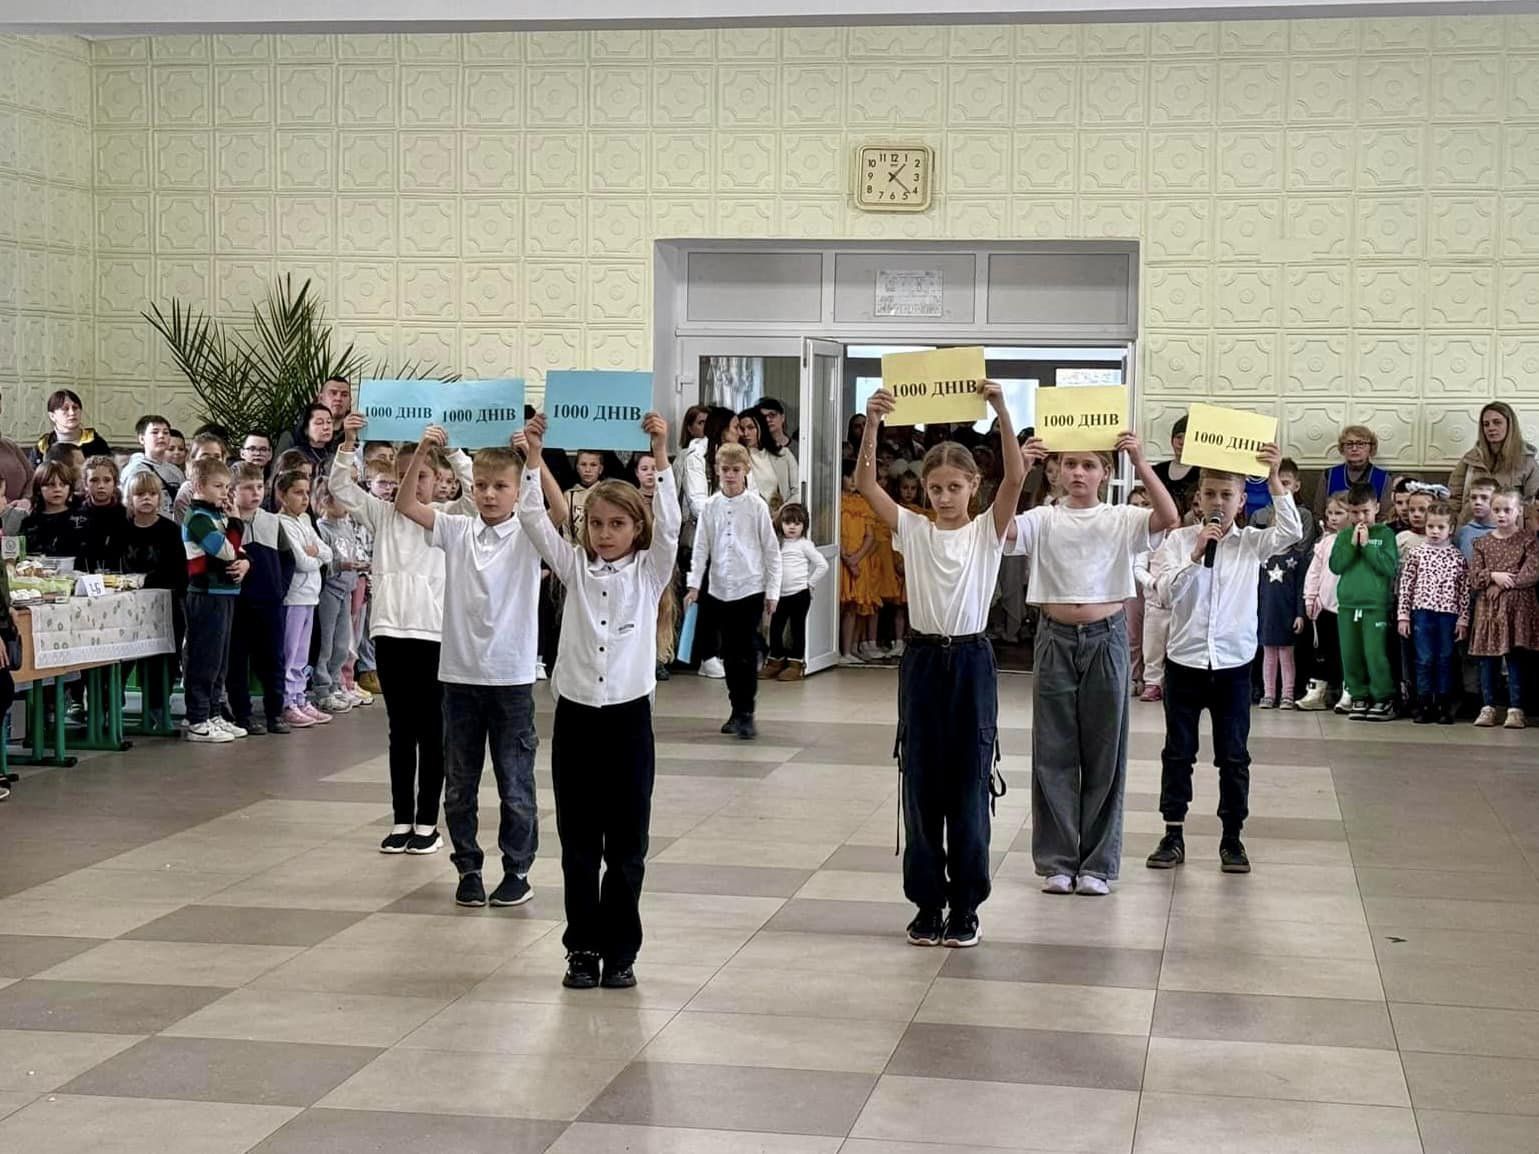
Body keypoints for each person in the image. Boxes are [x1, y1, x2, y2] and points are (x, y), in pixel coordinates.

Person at [855, 381, 1024, 948]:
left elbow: (1016, 478)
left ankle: (966, 905)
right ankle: (927, 902)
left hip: (971, 658)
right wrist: (873, 423)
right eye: (935, 488)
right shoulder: (914, 529)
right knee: (922, 782)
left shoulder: (986, 531)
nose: (945, 496)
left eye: (955, 487)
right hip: (924, 659)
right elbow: (866, 485)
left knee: (970, 783)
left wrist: (1002, 410)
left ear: (974, 485)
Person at [516, 411, 677, 990]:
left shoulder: (650, 573)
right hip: (578, 721)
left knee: (628, 847)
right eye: (598, 524)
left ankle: (621, 951)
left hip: (629, 723)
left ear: (636, 528)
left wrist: (660, 451)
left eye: (618, 524)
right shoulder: (574, 568)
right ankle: (581, 948)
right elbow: (532, 519)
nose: (606, 534)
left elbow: (673, 525)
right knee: (579, 845)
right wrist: (534, 457)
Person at [1010, 433, 1181, 896]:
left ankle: (1097, 864)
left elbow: (1169, 517)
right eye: (1070, 464)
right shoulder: (1043, 517)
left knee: (1105, 752)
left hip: (1106, 636)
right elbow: (1001, 530)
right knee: (1054, 750)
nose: (1078, 473)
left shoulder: (1121, 517)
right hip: (1055, 637)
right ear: (1057, 470)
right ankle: (1058, 860)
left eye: (1089, 465)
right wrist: (1019, 468)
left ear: (1105, 472)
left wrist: (1140, 462)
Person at [396, 427, 544, 907]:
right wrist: (425, 450)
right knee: (460, 784)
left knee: (515, 783)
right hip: (460, 678)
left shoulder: (529, 531)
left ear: (518, 490)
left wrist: (535, 456)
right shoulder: (457, 529)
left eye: (500, 486)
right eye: (480, 485)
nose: (489, 494)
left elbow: (559, 516)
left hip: (511, 678)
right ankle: (468, 868)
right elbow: (406, 505)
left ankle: (517, 870)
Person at [1145, 444, 1299, 874]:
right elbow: (1163, 594)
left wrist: (1273, 479)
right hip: (1185, 662)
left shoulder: (1252, 543)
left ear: (1241, 501)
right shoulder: (1178, 542)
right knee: (1179, 752)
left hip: (1232, 665)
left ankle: (1232, 837)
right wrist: (1196, 557)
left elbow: (1291, 532)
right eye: (1210, 494)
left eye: (1227, 495)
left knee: (1233, 755)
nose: (1218, 502)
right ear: (1198, 498)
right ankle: (1173, 832)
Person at [331, 413, 474, 854]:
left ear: (439, 479)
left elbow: (474, 496)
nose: (413, 484)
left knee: (432, 730)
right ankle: (401, 818)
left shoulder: (448, 517)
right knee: (401, 730)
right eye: (405, 475)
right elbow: (340, 488)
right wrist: (348, 442)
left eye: (423, 475)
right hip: (390, 632)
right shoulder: (383, 514)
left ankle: (428, 822)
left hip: (433, 635)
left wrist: (452, 450)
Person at [685, 442, 781, 739]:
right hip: (719, 588)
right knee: (728, 651)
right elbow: (701, 547)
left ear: (745, 471)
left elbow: (771, 550)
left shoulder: (756, 506)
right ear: (717, 470)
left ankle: (746, 711)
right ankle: (736, 708)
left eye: (735, 470)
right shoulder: (710, 506)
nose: (730, 475)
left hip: (749, 587)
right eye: (725, 469)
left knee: (743, 652)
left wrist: (772, 591)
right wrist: (694, 585)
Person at [181, 456, 248, 744]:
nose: (225, 493)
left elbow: (239, 551)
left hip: (226, 593)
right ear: (198, 485)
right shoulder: (198, 518)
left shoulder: (218, 515)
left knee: (220, 661)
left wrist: (244, 561)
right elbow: (225, 550)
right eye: (218, 486)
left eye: (227, 487)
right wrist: (236, 522)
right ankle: (198, 718)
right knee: (205, 659)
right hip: (206, 594)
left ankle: (214, 712)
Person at [227, 463, 293, 735]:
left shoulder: (272, 521)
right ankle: (242, 715)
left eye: (259, 487)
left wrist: (280, 588)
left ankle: (275, 713)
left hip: (270, 602)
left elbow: (287, 558)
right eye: (247, 488)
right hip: (238, 604)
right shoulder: (226, 522)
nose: (255, 493)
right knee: (237, 661)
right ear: (232, 491)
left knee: (273, 659)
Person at [1468, 488, 1539, 729]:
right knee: (1488, 659)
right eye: (1497, 510)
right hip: (1489, 610)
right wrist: (1492, 576)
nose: (1501, 515)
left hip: (1517, 610)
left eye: (1507, 510)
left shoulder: (1529, 540)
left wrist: (1503, 584)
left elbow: (1532, 572)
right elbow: (1474, 576)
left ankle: (1516, 709)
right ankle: (1488, 707)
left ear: (1518, 511)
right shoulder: (1482, 543)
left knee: (1516, 658)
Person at [1330, 483, 1400, 721]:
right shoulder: (1343, 536)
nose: (1360, 518)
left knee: (1374, 653)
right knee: (1351, 654)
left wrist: (1367, 545)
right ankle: (1358, 695)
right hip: (1348, 606)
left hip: (1374, 606)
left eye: (1365, 512)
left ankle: (1383, 697)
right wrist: (1352, 545)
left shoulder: (1385, 535)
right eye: (1355, 512)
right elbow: (1336, 565)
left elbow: (1389, 567)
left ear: (1377, 508)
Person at [1396, 500, 1469, 726]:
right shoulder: (1416, 554)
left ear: (1451, 529)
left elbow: (1464, 590)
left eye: (1440, 527)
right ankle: (1424, 702)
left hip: (1448, 615)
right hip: (1421, 613)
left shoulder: (1457, 557)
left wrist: (1463, 619)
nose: (1435, 531)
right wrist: (1403, 615)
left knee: (1445, 658)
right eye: (1430, 526)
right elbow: (1406, 585)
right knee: (1424, 658)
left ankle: (1444, 704)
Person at [274, 469, 333, 729]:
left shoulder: (306, 520)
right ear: (282, 495)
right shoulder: (281, 523)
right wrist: (317, 556)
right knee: (290, 652)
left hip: (311, 596)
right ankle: (287, 702)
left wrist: (317, 553)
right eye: (298, 492)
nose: (305, 498)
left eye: (307, 492)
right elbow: (301, 561)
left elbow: (328, 553)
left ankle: (299, 696)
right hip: (294, 597)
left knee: (302, 654)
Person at [762, 502, 828, 682]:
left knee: (797, 630)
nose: (792, 527)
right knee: (775, 629)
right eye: (788, 523)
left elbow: (822, 565)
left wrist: (810, 584)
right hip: (779, 595)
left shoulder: (804, 545)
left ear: (804, 526)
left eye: (797, 523)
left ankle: (796, 664)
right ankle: (775, 661)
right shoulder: (777, 544)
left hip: (799, 594)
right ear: (781, 524)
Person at [312, 477, 362, 717]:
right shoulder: (322, 529)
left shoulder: (347, 526)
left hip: (345, 591)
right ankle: (322, 689)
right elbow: (323, 563)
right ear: (326, 501)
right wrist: (341, 565)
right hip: (329, 591)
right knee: (326, 643)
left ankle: (335, 683)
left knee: (342, 644)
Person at [1299, 492, 1348, 712]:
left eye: (1339, 513)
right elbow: (1314, 572)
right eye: (1330, 513)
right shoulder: (1325, 542)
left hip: (1346, 608)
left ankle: (1348, 691)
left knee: (1345, 652)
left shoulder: (1355, 541)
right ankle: (1316, 692)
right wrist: (1310, 598)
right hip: (1324, 607)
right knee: (1321, 652)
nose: (1333, 518)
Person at [1449, 402, 1539, 522]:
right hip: (1471, 526)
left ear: (1510, 425)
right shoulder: (1470, 459)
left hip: (1508, 528)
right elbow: (1454, 498)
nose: (1491, 428)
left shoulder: (1527, 462)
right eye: (1486, 424)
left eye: (1497, 422)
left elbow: (1532, 506)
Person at [837, 459, 878, 664]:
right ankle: (833, 650)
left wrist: (856, 558)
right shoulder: (836, 502)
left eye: (856, 477)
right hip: (841, 561)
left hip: (858, 561)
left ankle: (847, 651)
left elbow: (870, 536)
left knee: (853, 608)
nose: (853, 481)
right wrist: (846, 557)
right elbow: (832, 532)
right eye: (849, 477)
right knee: (838, 606)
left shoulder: (864, 503)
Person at [1316, 425, 1393, 521]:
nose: (1354, 448)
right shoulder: (1329, 475)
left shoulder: (1384, 478)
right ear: (1342, 448)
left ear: (1371, 448)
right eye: (1349, 444)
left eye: (1361, 444)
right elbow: (1319, 513)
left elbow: (1385, 516)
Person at [19, 460, 88, 559]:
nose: (57, 489)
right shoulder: (30, 523)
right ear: (39, 488)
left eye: (63, 484)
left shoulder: (82, 519)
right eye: (51, 484)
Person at [120, 415, 184, 519]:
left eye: (165, 432)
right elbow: (126, 504)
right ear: (142, 438)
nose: (161, 436)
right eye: (155, 432)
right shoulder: (133, 470)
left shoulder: (176, 471)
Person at [737, 407, 799, 510]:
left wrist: (782, 511)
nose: (746, 433)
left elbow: (797, 490)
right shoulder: (740, 456)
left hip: (781, 513)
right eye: (742, 429)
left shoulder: (783, 453)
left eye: (751, 427)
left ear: (761, 427)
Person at [31, 388, 112, 466]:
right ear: (52, 416)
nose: (72, 413)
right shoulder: (44, 446)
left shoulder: (96, 442)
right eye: (65, 409)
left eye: (75, 407)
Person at [275, 376, 352, 457]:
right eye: (333, 393)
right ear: (320, 398)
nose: (338, 398)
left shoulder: (352, 435)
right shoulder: (293, 436)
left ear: (350, 402)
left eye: (344, 395)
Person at [81, 455, 129, 571]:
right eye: (94, 480)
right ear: (86, 484)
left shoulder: (126, 516)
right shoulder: (76, 515)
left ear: (115, 483)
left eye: (107, 480)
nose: (101, 486)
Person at [172, 432, 230, 523]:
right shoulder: (189, 490)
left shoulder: (228, 485)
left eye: (217, 457)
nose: (211, 461)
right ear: (193, 460)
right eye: (205, 456)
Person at [1150, 415, 1199, 521]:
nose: (1182, 442)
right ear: (1172, 440)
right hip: (1161, 524)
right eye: (1178, 437)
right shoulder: (1158, 470)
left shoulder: (1202, 472)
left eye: (1187, 438)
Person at [1455, 475, 1499, 560]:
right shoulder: (1463, 533)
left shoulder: (1505, 532)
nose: (1478, 502)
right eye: (1473, 497)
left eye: (1484, 498)